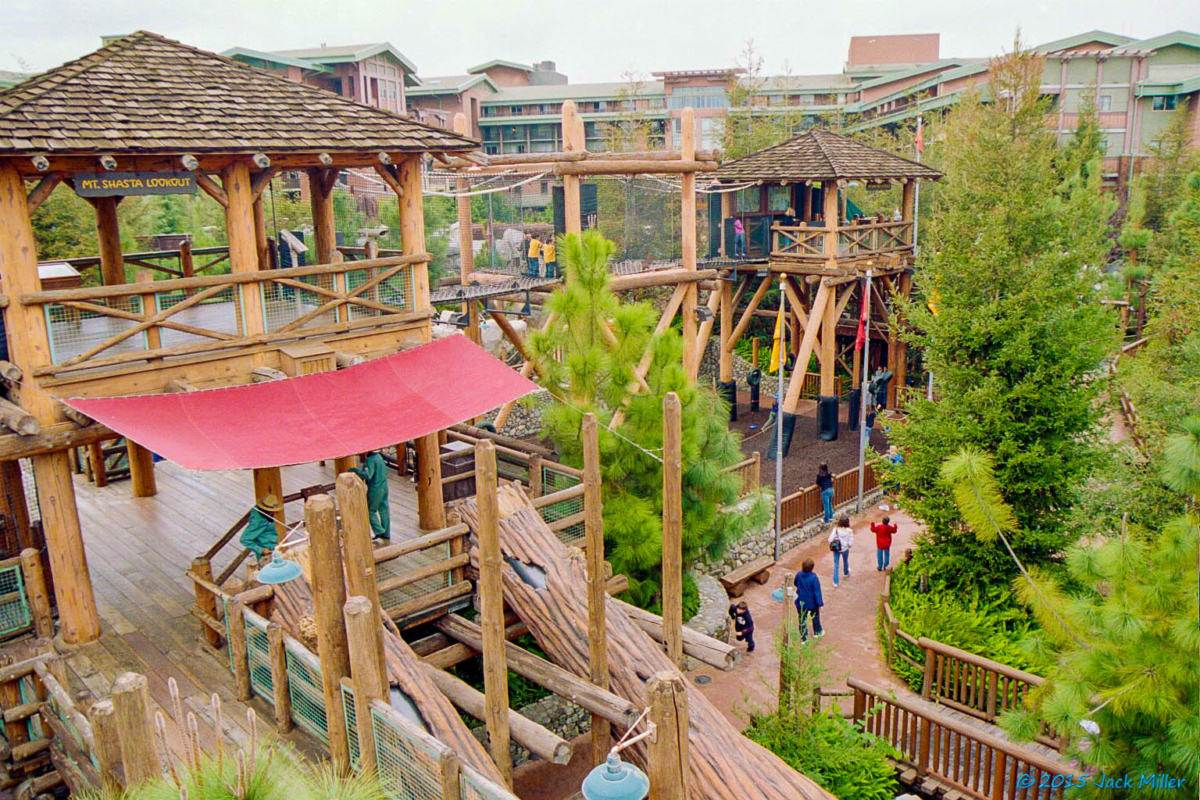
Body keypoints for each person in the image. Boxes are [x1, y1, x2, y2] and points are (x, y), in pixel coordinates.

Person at [348, 451, 391, 540]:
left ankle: (379, 530)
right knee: (384, 510)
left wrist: (354, 470)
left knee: (370, 511)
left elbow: (367, 475)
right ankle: (386, 533)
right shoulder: (379, 457)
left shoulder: (370, 460)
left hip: (376, 488)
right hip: (384, 486)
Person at [240, 494, 283, 561]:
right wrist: (261, 550)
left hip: (272, 546)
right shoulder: (257, 521)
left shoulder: (266, 515)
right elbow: (244, 539)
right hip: (265, 551)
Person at [793, 559, 824, 641]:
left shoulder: (798, 575)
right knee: (815, 616)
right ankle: (817, 632)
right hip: (812, 603)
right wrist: (819, 603)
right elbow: (817, 592)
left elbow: (795, 583)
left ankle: (804, 638)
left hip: (801, 602)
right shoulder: (814, 578)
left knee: (802, 619)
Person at [828, 516, 853, 587]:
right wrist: (848, 545)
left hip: (837, 549)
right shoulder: (850, 531)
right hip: (845, 549)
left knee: (836, 564)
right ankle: (846, 572)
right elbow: (851, 543)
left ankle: (835, 582)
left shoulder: (835, 530)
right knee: (845, 561)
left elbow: (830, 540)